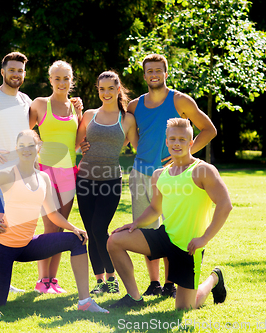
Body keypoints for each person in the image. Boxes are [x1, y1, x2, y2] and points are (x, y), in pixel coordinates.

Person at [0, 130, 108, 313]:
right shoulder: (6, 175)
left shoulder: (44, 178)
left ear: (38, 147)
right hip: (1, 248)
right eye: (22, 146)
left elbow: (52, 214)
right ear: (17, 150)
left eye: (30, 146)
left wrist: (74, 228)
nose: (26, 150)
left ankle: (85, 302)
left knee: (77, 240)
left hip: (27, 245)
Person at [0, 52, 82, 293]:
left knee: (13, 227)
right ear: (3, 72)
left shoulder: (25, 100)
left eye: (20, 71)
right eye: (12, 70)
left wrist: (75, 106)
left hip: (22, 176)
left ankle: (1, 282)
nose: (16, 74)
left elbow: (42, 126)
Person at [107, 118, 232, 310]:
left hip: (188, 247)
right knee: (114, 241)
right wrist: (135, 224)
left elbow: (225, 205)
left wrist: (204, 238)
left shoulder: (202, 171)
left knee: (185, 307)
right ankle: (134, 298)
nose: (176, 143)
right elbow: (155, 209)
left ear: (191, 143)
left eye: (182, 140)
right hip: (165, 237)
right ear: (166, 142)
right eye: (172, 139)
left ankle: (214, 279)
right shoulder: (160, 174)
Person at [127, 54, 216, 298]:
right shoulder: (134, 106)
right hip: (141, 174)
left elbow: (210, 130)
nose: (154, 74)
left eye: (158, 70)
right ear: (144, 75)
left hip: (174, 176)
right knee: (147, 229)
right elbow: (122, 131)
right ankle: (154, 283)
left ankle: (171, 283)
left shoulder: (180, 101)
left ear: (166, 73)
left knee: (172, 228)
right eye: (149, 71)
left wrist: (186, 153)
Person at [75, 71, 138, 295]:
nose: (106, 93)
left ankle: (112, 277)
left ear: (118, 89)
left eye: (110, 88)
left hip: (110, 181)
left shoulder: (127, 119)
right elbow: (76, 144)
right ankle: (100, 281)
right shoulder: (89, 115)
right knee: (92, 231)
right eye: (101, 89)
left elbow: (138, 148)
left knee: (100, 227)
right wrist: (81, 145)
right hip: (84, 180)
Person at [29, 61, 82, 294]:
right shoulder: (40, 104)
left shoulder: (75, 107)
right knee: (49, 224)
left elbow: (77, 142)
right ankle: (42, 281)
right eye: (57, 78)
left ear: (72, 80)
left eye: (66, 78)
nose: (62, 82)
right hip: (45, 172)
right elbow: (24, 134)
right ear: (50, 80)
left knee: (61, 228)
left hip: (69, 172)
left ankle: (53, 281)